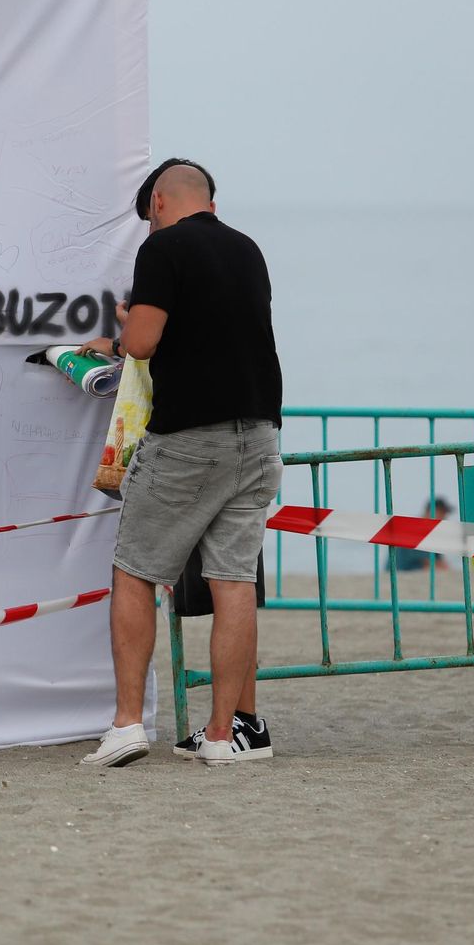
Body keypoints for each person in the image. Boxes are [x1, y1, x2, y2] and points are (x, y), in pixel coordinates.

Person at [74, 158, 283, 767]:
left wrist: (118, 334)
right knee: (234, 581)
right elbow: (213, 330)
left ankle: (126, 725)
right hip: (259, 434)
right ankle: (225, 734)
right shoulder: (248, 250)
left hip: (191, 439)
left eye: (148, 218)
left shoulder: (162, 250)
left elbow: (143, 344)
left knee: (135, 569)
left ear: (160, 202)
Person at [386, 497, 453, 572]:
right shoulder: (416, 530)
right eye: (441, 513)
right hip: (402, 572)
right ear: (429, 512)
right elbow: (428, 562)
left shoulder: (431, 534)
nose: (444, 517)